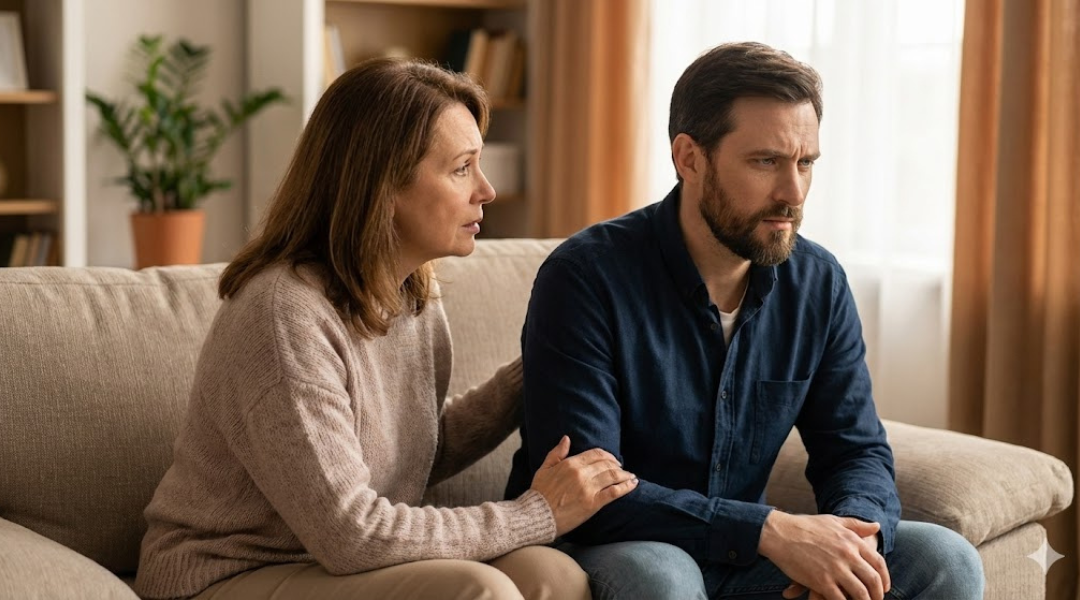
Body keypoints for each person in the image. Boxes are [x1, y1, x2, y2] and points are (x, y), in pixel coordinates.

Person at [133, 57, 638, 600]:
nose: (487, 190)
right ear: (383, 184)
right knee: (478, 592)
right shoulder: (284, 315)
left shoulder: (410, 292)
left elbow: (414, 451)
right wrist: (536, 514)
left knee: (554, 577)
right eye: (462, 168)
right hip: (228, 573)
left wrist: (546, 361)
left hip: (334, 563)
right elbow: (352, 534)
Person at [505, 42, 985, 600]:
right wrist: (769, 530)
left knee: (945, 560)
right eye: (766, 162)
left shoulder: (818, 282)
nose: (793, 193)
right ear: (689, 158)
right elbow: (589, 491)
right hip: (615, 542)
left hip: (741, 553)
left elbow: (854, 450)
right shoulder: (585, 277)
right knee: (663, 576)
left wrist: (855, 539)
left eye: (805, 163)